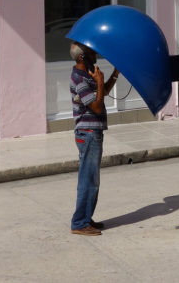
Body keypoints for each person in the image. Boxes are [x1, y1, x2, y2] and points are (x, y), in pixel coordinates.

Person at [69, 41, 120, 236]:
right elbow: (97, 107)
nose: (94, 53)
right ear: (82, 56)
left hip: (92, 133)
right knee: (88, 180)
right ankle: (80, 223)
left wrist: (115, 73)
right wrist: (98, 82)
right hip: (88, 133)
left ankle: (85, 217)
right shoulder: (79, 79)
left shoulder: (86, 73)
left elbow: (103, 93)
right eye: (90, 51)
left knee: (92, 179)